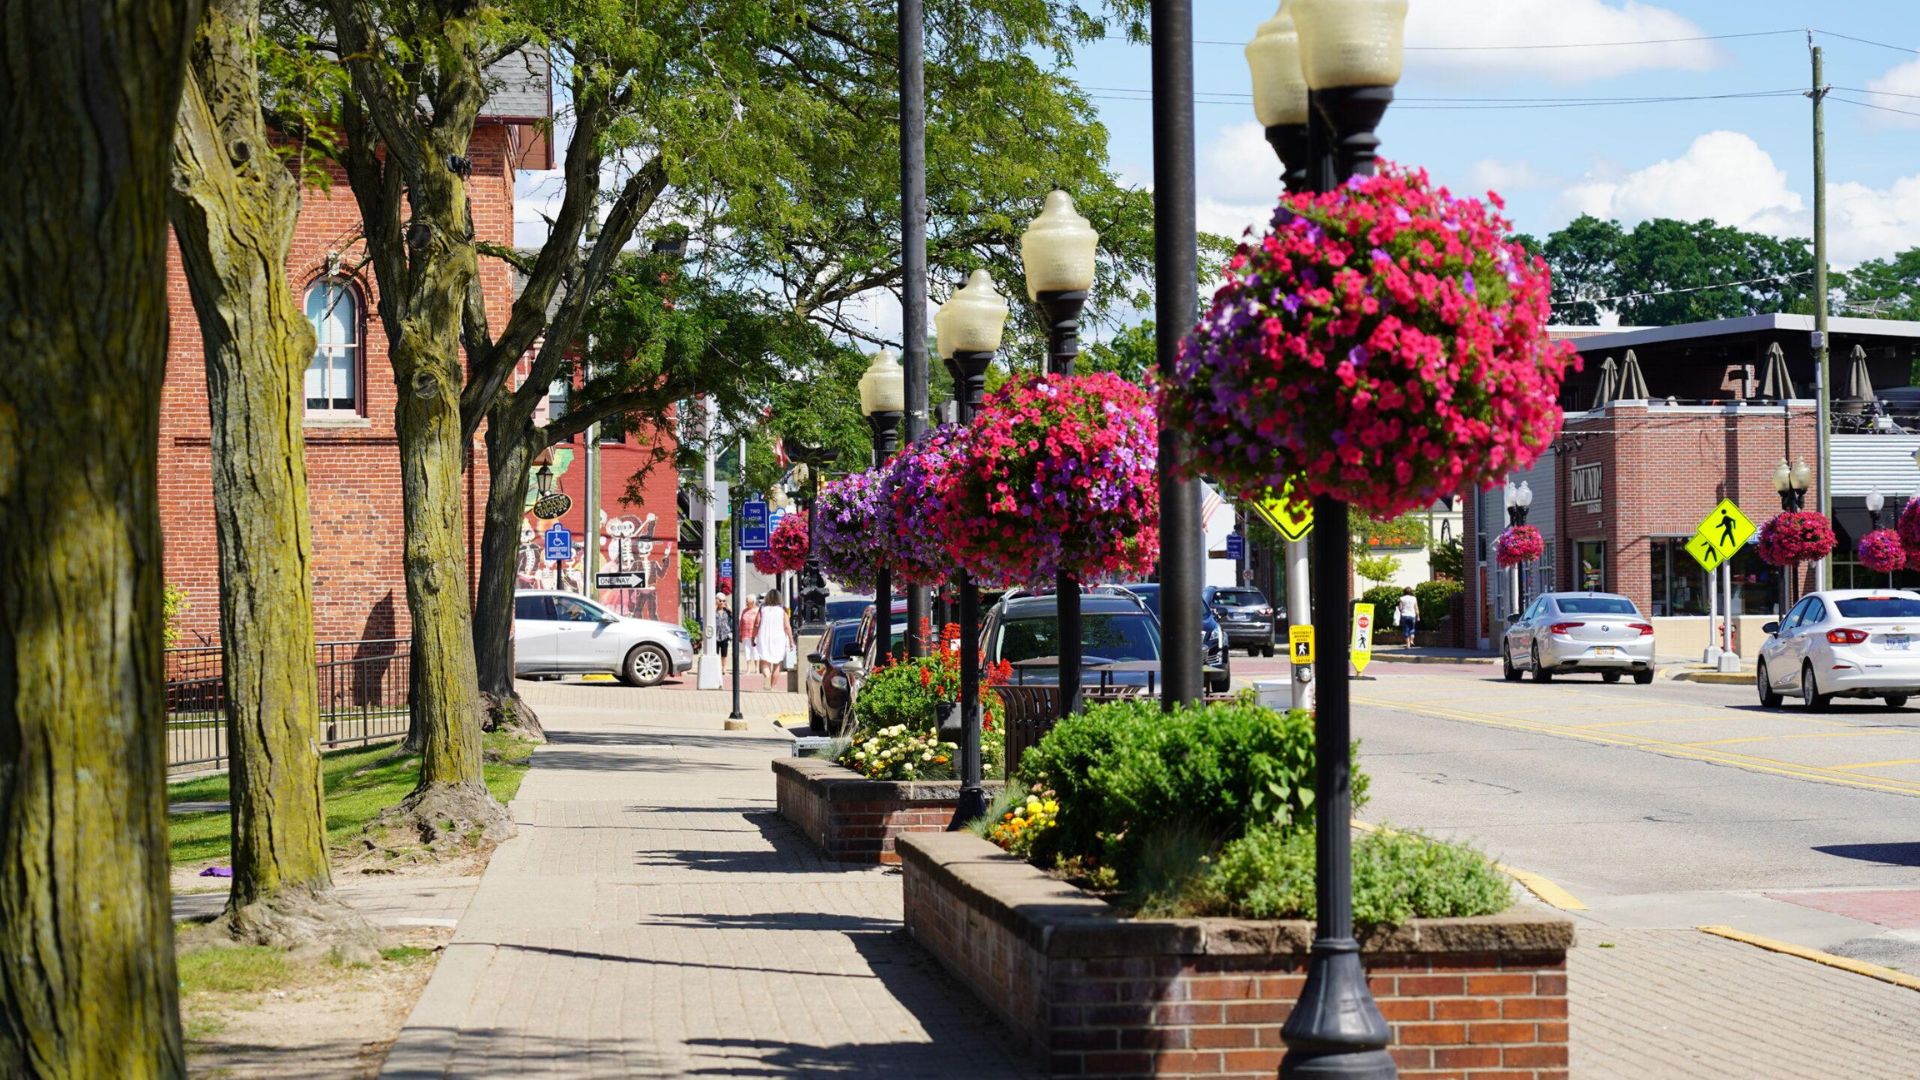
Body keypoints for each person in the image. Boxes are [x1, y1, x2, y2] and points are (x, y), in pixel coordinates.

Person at [757, 589, 792, 691]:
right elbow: (787, 626)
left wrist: (753, 637)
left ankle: (767, 678)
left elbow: (756, 624)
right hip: (778, 637)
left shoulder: (762, 609)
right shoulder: (782, 610)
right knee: (777, 663)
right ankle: (773, 686)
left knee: (764, 660)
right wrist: (791, 640)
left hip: (764, 636)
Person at [738, 595, 762, 681]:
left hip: (755, 634)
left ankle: (757, 669)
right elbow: (740, 622)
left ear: (753, 602)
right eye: (746, 602)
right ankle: (748, 669)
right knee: (747, 651)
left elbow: (760, 622)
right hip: (745, 633)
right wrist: (740, 634)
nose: (747, 604)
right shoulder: (744, 611)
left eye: (748, 602)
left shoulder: (758, 610)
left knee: (755, 651)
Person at [713, 593, 734, 676]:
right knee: (716, 653)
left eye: (723, 601)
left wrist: (728, 607)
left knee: (724, 654)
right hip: (715, 635)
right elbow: (709, 615)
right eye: (720, 600)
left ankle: (724, 668)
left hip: (725, 635)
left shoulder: (727, 611)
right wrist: (715, 605)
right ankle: (716, 668)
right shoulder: (714, 611)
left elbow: (734, 615)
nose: (722, 602)